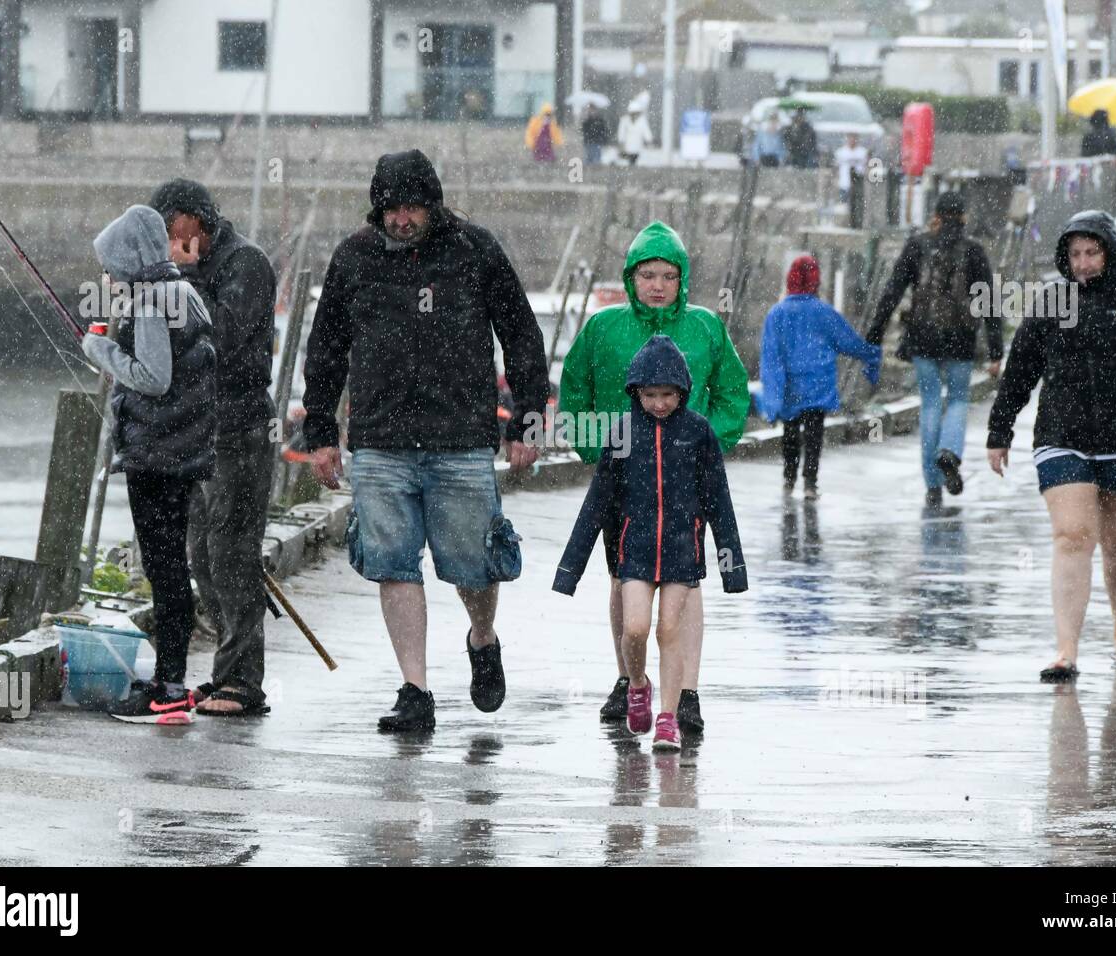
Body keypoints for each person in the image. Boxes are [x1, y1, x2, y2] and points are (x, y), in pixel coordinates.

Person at [301, 149, 548, 733]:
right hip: (381, 441)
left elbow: (521, 334)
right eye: (391, 209)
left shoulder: (475, 251)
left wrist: (527, 419)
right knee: (393, 564)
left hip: (460, 439)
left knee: (472, 565)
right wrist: (321, 433)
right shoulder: (354, 258)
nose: (401, 220)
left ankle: (482, 638)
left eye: (412, 208)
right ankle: (415, 690)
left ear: (433, 206)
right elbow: (325, 351)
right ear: (377, 208)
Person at [558, 220, 749, 735]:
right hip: (625, 481)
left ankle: (686, 690)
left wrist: (710, 442)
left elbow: (733, 391)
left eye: (668, 275)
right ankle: (629, 678)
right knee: (625, 580)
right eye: (648, 275)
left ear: (682, 278)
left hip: (685, 481)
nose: (658, 285)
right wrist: (600, 450)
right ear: (631, 278)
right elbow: (574, 389)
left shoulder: (706, 327)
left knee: (686, 584)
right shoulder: (603, 327)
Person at [985, 210, 1116, 682]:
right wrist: (1000, 431)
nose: (1084, 263)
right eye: (1075, 254)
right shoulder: (1051, 303)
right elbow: (1020, 371)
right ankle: (1066, 652)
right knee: (1073, 536)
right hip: (1061, 437)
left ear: (1109, 252)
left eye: (1092, 252)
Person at [82, 205, 216, 723]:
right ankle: (170, 680)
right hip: (179, 452)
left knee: (165, 572)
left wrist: (101, 351)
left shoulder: (154, 301)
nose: (109, 277)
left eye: (113, 266)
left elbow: (155, 377)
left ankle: (170, 688)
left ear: (133, 259)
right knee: (170, 569)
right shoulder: (181, 291)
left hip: (159, 457)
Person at [149, 178, 277, 718]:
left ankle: (244, 681)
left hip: (240, 428)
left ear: (198, 221)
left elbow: (218, 338)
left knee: (231, 550)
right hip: (197, 431)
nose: (169, 243)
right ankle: (227, 671)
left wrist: (180, 278)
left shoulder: (244, 264)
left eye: (173, 232)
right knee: (201, 549)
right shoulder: (187, 272)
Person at [866, 191, 1003, 508]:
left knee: (929, 403)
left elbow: (893, 290)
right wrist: (996, 350)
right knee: (957, 400)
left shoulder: (917, 245)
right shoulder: (974, 251)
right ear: (964, 218)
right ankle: (949, 452)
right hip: (961, 340)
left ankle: (932, 484)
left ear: (937, 216)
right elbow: (989, 303)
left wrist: (875, 333)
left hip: (922, 337)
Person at [758, 254, 881, 499]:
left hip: (791, 386)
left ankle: (789, 478)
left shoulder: (777, 314)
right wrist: (871, 354)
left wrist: (771, 396)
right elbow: (848, 341)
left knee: (790, 433)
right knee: (814, 434)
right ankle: (810, 483)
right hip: (818, 384)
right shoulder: (824, 313)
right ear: (816, 281)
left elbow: (770, 356)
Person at [834, 133, 868, 203]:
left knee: (858, 204)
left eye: (854, 139)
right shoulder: (840, 152)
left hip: (858, 183)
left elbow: (867, 166)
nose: (852, 141)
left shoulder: (863, 152)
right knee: (844, 205)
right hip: (844, 183)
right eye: (850, 139)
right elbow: (836, 167)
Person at [617, 101, 653, 166]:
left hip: (637, 145)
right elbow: (621, 132)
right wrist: (621, 142)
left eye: (636, 113)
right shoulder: (624, 120)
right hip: (627, 145)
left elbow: (646, 131)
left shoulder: (642, 120)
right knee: (629, 161)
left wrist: (649, 140)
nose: (635, 115)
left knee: (635, 160)